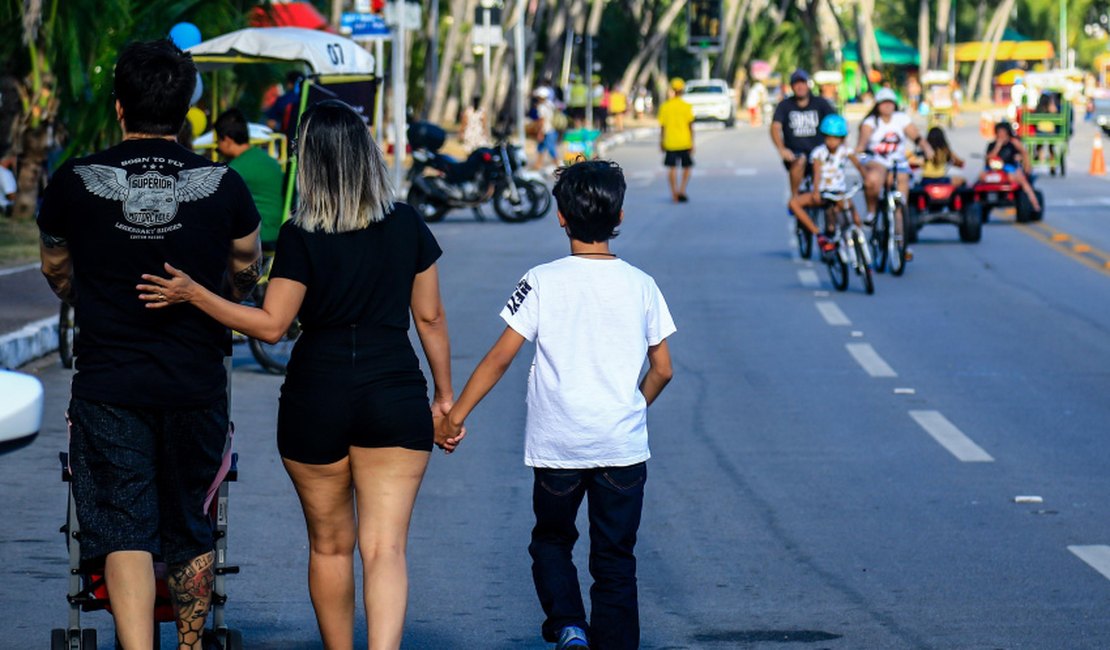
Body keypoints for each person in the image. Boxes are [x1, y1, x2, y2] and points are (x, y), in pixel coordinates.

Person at [137, 99, 455, 650]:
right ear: (366, 155)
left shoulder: (302, 233)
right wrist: (445, 399)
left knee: (330, 546)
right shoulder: (406, 224)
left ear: (308, 161)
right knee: (385, 548)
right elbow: (429, 317)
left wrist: (195, 294)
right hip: (394, 392)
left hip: (316, 396)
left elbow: (271, 326)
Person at [37, 39, 262, 650]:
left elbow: (55, 266)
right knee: (191, 523)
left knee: (121, 527)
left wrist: (83, 290)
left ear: (119, 109)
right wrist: (229, 286)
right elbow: (247, 265)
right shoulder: (223, 183)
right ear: (189, 108)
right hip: (195, 383)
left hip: (109, 383)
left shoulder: (76, 180)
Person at [436, 159, 675, 650]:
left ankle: (569, 625)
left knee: (551, 540)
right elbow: (663, 368)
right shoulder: (642, 284)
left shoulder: (541, 280)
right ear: (620, 217)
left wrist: (454, 417)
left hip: (558, 446)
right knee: (615, 558)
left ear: (560, 217)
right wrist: (633, 407)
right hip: (621, 447)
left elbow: (500, 358)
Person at [788, 114, 866, 253]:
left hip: (839, 193)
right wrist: (816, 191)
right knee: (793, 204)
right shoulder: (819, 152)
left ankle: (860, 250)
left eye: (835, 138)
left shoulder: (846, 151)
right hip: (823, 192)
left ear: (842, 139)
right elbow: (817, 173)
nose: (831, 142)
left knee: (855, 219)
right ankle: (818, 234)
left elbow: (859, 166)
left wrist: (867, 180)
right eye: (828, 137)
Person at [857, 88, 933, 224]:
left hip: (898, 162)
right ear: (878, 105)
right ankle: (872, 212)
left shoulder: (901, 119)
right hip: (876, 160)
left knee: (901, 189)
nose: (887, 106)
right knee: (872, 180)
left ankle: (899, 236)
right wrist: (859, 152)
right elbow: (862, 143)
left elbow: (916, 136)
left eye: (890, 102)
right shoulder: (870, 122)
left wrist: (926, 148)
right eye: (884, 103)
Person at [214, 108, 285, 251]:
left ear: (227, 140)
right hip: (277, 233)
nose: (217, 147)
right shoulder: (268, 159)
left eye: (218, 141)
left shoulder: (235, 169)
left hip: (259, 237)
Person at [770, 69, 836, 199]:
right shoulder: (785, 105)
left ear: (808, 85)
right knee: (800, 161)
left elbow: (835, 123)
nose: (800, 87)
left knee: (831, 195)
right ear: (792, 86)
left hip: (819, 152)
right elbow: (775, 127)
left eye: (803, 83)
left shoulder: (821, 103)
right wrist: (782, 149)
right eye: (796, 84)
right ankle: (795, 199)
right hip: (795, 153)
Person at [981, 121, 1040, 212]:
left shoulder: (1013, 142)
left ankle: (1034, 203)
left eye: (1003, 132)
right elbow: (989, 158)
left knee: (1022, 181)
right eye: (999, 132)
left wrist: (1026, 164)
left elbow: (1024, 153)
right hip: (994, 170)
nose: (1001, 134)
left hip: (1009, 168)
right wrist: (998, 145)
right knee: (981, 178)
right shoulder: (992, 144)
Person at [658, 78, 695, 203]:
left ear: (672, 90)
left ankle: (674, 193)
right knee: (687, 167)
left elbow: (662, 127)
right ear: (682, 90)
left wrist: (661, 141)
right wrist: (692, 142)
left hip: (670, 142)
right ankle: (682, 190)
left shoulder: (665, 106)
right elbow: (690, 126)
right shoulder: (687, 106)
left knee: (672, 168)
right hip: (685, 141)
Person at [265, 71, 303, 140]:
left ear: (289, 84)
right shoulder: (312, 100)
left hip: (284, 141)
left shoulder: (283, 100)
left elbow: (270, 123)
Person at [533, 88, 560, 170]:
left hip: (546, 130)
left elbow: (542, 120)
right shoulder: (550, 104)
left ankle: (558, 164)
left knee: (550, 148)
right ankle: (538, 165)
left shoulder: (541, 107)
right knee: (540, 148)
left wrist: (539, 133)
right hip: (553, 129)